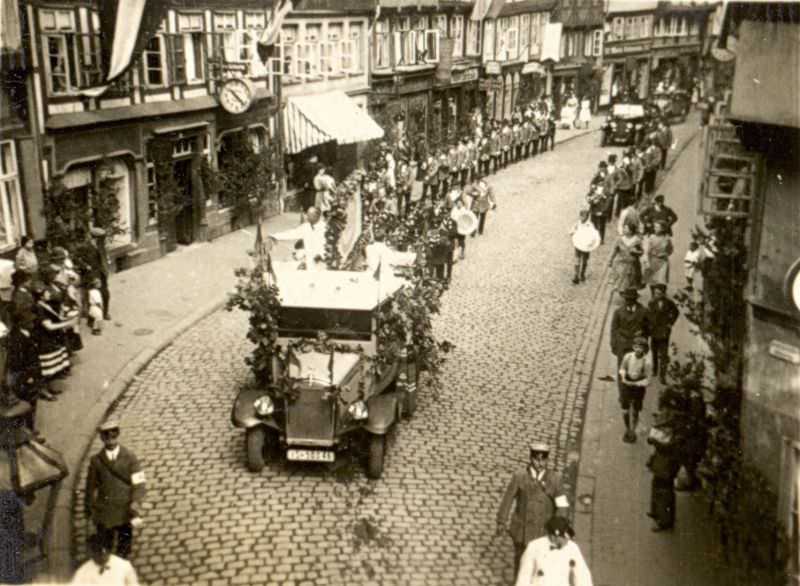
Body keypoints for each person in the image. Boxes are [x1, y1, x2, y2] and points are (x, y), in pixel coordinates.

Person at [497, 442, 569, 577]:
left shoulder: (555, 479)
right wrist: (501, 520)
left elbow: (562, 506)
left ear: (547, 460)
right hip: (522, 531)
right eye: (537, 459)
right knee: (521, 565)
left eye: (544, 460)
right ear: (531, 458)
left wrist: (558, 528)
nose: (540, 463)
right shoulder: (520, 477)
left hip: (544, 532)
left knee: (542, 566)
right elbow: (508, 499)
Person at [85, 420, 147, 559]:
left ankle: (122, 563)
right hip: (106, 510)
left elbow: (139, 482)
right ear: (102, 438)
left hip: (125, 509)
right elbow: (90, 487)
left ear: (117, 435)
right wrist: (89, 509)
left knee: (124, 544)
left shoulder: (130, 457)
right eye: (106, 437)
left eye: (113, 436)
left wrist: (135, 501)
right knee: (106, 542)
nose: (110, 440)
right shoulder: (96, 461)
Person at [7, 310, 52, 434]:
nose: (32, 322)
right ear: (21, 323)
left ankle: (29, 429)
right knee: (27, 404)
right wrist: (28, 377)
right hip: (25, 378)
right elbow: (17, 362)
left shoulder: (25, 334)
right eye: (30, 321)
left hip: (30, 376)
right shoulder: (17, 339)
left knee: (31, 403)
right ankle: (28, 431)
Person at [515, 516, 593, 586]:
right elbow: (524, 576)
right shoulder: (534, 546)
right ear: (553, 536)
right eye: (564, 538)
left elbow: (582, 574)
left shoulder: (572, 548)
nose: (567, 540)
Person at [646, 408, 680, 531]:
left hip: (666, 465)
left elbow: (669, 447)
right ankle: (657, 512)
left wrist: (655, 440)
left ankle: (664, 520)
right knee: (658, 487)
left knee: (664, 491)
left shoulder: (676, 434)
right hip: (663, 464)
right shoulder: (674, 429)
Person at [71, 533, 139, 585]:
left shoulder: (124, 566)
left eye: (106, 549)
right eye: (97, 550)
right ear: (90, 552)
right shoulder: (82, 572)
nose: (103, 553)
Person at [618, 336, 652, 442]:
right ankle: (627, 428)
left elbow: (648, 379)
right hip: (627, 384)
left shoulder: (646, 362)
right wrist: (623, 377)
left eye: (640, 348)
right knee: (625, 409)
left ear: (644, 349)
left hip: (638, 387)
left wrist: (637, 383)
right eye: (636, 347)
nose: (638, 349)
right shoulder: (628, 356)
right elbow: (622, 369)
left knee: (636, 410)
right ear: (633, 347)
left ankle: (633, 430)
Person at [610, 287, 649, 375]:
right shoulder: (618, 312)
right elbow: (614, 329)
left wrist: (643, 334)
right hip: (622, 344)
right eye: (627, 299)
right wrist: (613, 344)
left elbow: (648, 328)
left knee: (637, 371)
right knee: (622, 370)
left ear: (636, 299)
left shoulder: (644, 312)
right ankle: (623, 387)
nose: (629, 302)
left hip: (637, 345)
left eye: (632, 299)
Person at [74, 227, 111, 321]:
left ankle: (105, 313)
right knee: (94, 296)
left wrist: (107, 261)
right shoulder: (85, 246)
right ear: (95, 238)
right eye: (101, 238)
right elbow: (75, 258)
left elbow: (103, 257)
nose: (103, 240)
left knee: (105, 293)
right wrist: (85, 266)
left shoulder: (101, 246)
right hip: (90, 275)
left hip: (101, 273)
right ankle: (93, 318)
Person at [647, 283, 679, 384]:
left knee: (664, 354)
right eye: (655, 293)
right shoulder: (651, 303)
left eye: (659, 293)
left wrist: (670, 323)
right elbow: (649, 315)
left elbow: (676, 312)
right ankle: (655, 370)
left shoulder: (669, 303)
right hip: (654, 331)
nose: (656, 295)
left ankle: (662, 375)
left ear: (663, 294)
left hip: (664, 332)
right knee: (654, 352)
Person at [608, 222, 644, 294]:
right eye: (624, 228)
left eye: (625, 228)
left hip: (632, 264)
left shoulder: (637, 240)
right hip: (621, 263)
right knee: (620, 281)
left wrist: (636, 252)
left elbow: (641, 252)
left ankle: (627, 295)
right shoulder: (620, 239)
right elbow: (614, 250)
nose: (623, 230)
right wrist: (610, 260)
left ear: (631, 231)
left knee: (629, 281)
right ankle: (622, 293)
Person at [570, 209, 600, 284]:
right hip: (578, 244)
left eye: (583, 216)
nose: (581, 218)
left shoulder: (590, 225)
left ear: (587, 217)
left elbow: (593, 235)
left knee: (584, 261)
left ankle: (582, 273)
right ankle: (576, 276)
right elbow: (573, 229)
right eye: (581, 216)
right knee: (577, 260)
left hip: (586, 246)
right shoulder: (578, 223)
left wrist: (591, 243)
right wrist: (572, 232)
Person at [642, 220, 674, 287]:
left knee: (662, 281)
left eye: (657, 227)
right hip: (653, 261)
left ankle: (661, 295)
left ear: (663, 229)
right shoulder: (651, 237)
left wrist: (665, 254)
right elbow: (647, 251)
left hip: (663, 262)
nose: (655, 228)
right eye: (654, 227)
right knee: (652, 281)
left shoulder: (667, 239)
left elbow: (670, 250)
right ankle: (653, 296)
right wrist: (647, 262)